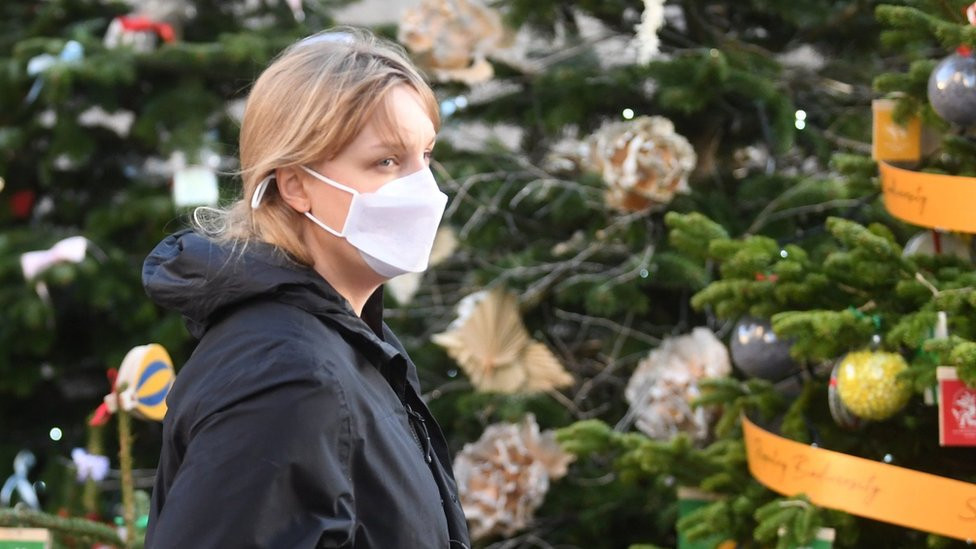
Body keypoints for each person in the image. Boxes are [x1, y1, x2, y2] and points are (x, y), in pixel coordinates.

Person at [141, 28, 470, 548]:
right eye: (386, 162)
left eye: (424, 156)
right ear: (295, 185)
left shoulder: (348, 342)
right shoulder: (287, 371)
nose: (424, 191)